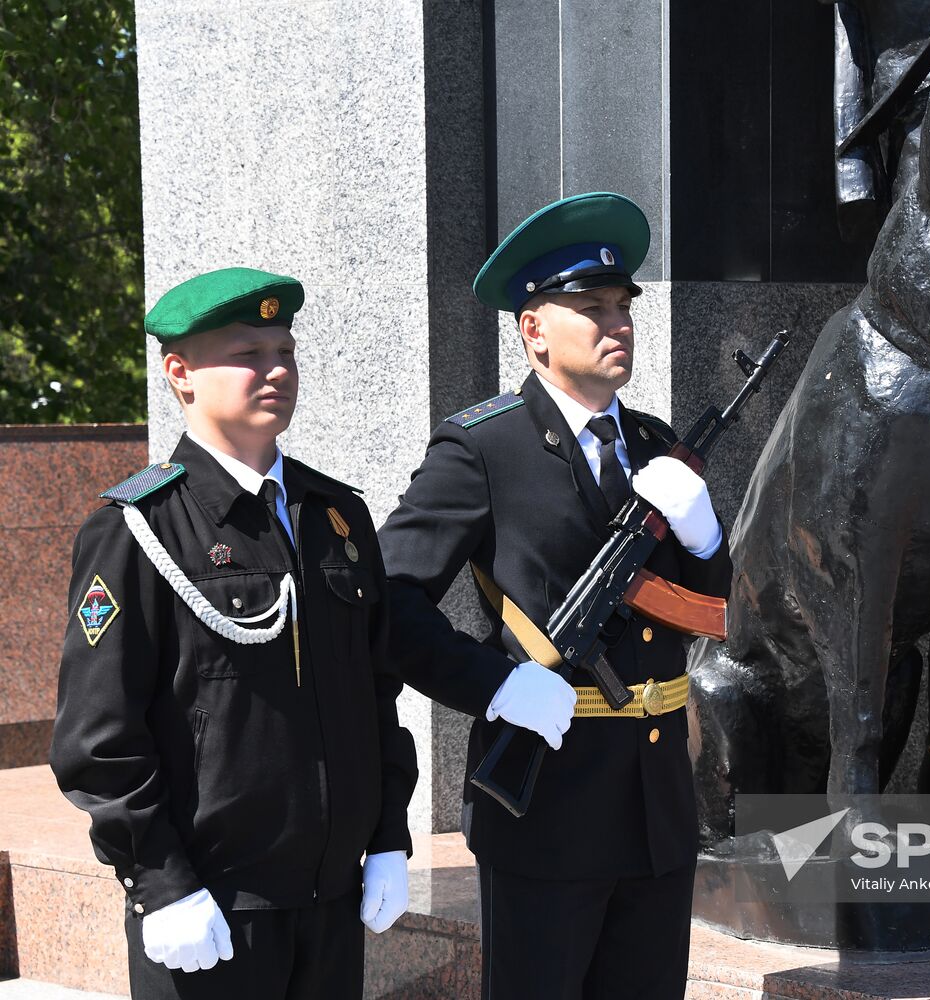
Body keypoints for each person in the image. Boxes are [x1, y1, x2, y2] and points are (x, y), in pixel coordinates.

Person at [379, 191, 732, 999]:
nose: (618, 324)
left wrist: (708, 540)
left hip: (657, 808)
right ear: (533, 328)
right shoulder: (482, 445)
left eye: (622, 306)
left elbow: (720, 612)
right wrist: (494, 684)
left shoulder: (653, 444)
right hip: (546, 800)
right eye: (590, 308)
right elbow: (389, 599)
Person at [50, 267, 418, 999]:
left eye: (285, 351)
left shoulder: (334, 516)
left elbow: (373, 694)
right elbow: (97, 738)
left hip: (330, 903)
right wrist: (159, 880)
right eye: (248, 354)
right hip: (212, 910)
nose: (276, 369)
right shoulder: (138, 528)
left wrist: (387, 835)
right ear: (181, 375)